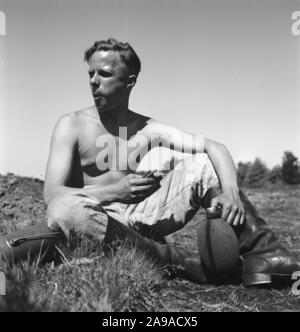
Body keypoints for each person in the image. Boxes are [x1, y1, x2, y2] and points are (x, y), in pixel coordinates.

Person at [1, 38, 299, 286]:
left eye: (104, 74)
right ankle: (173, 260)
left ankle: (265, 253)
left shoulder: (147, 128)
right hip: (94, 216)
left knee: (204, 164)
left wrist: (231, 190)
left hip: (140, 217)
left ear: (129, 82)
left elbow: (213, 146)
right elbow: (52, 194)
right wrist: (116, 191)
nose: (93, 81)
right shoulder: (71, 124)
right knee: (65, 210)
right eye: (90, 74)